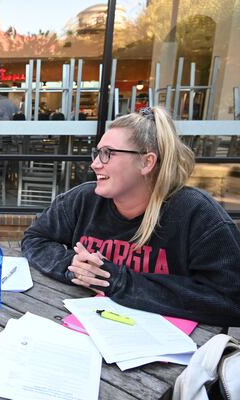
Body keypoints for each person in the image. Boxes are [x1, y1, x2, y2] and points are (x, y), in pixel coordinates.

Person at [22, 107, 240, 326]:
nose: (95, 163)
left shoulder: (197, 215)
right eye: (97, 153)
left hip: (167, 346)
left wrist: (118, 280)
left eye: (108, 153)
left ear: (146, 162)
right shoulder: (83, 200)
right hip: (82, 325)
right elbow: (34, 238)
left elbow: (231, 301)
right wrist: (75, 267)